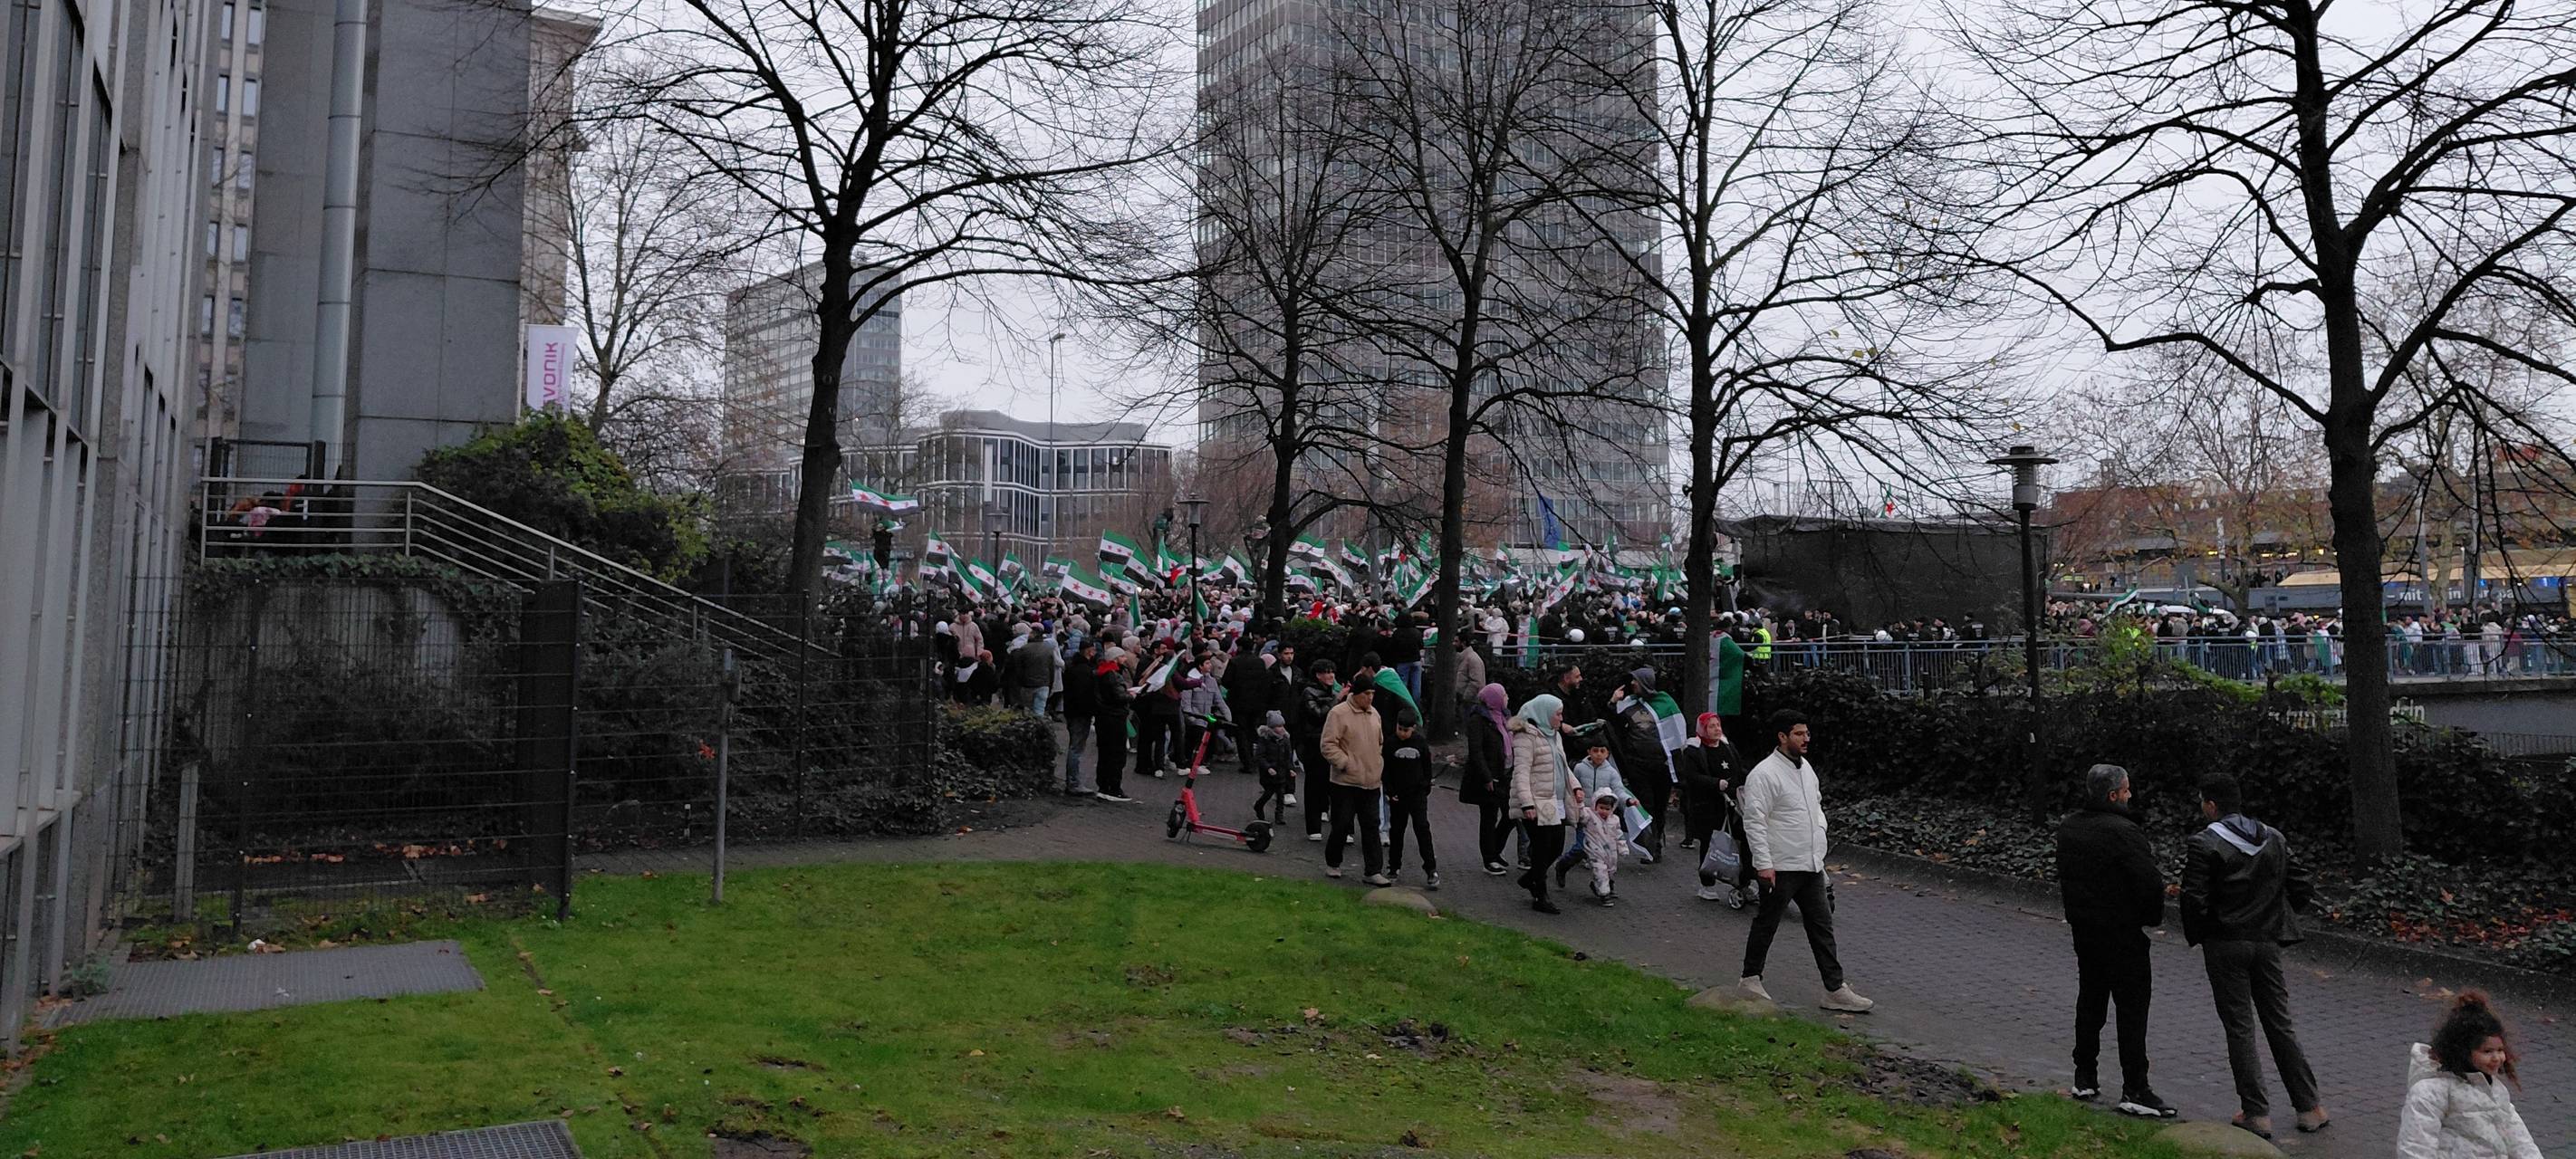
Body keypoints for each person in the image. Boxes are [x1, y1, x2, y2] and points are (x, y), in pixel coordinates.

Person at [2181, 773, 2329, 1140]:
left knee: (2240, 1027)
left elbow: (2193, 898)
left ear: (2212, 805)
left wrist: (2203, 933)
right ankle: (2310, 1107)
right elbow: (2301, 886)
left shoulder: (2204, 843)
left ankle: (2255, 1112)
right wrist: (2275, 917)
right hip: (2267, 942)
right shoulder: (2274, 838)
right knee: (2280, 1023)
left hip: (2226, 943)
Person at [2054, 763, 2176, 1118]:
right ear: (2112, 795)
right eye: (2125, 791)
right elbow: (2149, 883)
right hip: (2122, 933)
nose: (2129, 795)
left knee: (2091, 999)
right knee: (2132, 1009)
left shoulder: (2069, 828)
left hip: (2085, 930)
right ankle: (2135, 1086)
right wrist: (2149, 917)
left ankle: (2085, 1074)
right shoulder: (2125, 832)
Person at [1738, 709, 1873, 1013]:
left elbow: (1815, 807)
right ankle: (1749, 979)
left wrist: (1820, 840)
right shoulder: (1764, 774)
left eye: (1807, 733)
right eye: (1799, 734)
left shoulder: (1806, 768)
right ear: (1782, 737)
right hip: (1780, 866)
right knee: (1767, 923)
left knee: (1822, 926)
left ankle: (1834, 989)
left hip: (1810, 865)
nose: (1806, 739)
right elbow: (1755, 821)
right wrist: (1763, 864)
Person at [2398, 991, 2542, 1159]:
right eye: (2487, 1052)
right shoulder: (2432, 1091)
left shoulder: (2494, 1089)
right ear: (2463, 1052)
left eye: (2500, 1050)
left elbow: (2518, 1137)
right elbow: (2416, 1146)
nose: (2497, 1058)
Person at [1508, 694, 1578, 914]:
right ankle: (1541, 895)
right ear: (1545, 713)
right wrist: (1527, 804)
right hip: (1537, 802)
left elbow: (1562, 766)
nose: (1561, 718)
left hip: (1554, 801)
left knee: (1556, 845)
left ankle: (1531, 878)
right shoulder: (1525, 737)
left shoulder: (1554, 735)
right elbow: (1521, 772)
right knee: (1541, 847)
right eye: (1558, 714)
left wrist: (1575, 786)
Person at [1675, 713, 1753, 906]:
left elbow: (1738, 769)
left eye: (1718, 725)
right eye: (1711, 726)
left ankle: (1744, 881)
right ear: (1702, 730)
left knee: (1744, 840)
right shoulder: (1694, 750)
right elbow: (1691, 777)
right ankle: (1706, 884)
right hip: (1707, 806)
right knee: (1709, 843)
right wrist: (1715, 783)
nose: (1717, 729)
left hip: (1733, 803)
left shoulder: (1728, 746)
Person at [1319, 682, 1389, 884]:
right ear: (1356, 694)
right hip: (1345, 782)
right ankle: (1333, 862)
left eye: (1373, 693)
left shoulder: (1375, 714)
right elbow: (1328, 744)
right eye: (1367, 693)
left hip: (1371, 782)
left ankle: (1373, 871)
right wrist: (1345, 763)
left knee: (1371, 826)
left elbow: (1380, 742)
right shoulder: (1338, 713)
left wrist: (1378, 763)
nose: (1370, 697)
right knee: (1341, 824)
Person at [1610, 666, 1675, 857]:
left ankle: (1657, 839)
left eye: (1636, 681)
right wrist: (1613, 703)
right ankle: (1651, 846)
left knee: (1661, 806)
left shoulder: (1666, 703)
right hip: (1638, 764)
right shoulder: (1629, 704)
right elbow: (1613, 726)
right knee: (1647, 805)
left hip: (1662, 765)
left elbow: (1676, 731)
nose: (1632, 684)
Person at [1554, 740, 1633, 888]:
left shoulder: (1611, 772)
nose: (1598, 754)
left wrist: (1628, 800)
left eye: (1602, 751)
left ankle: (1606, 883)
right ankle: (1563, 865)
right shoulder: (1579, 769)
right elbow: (1571, 786)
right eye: (1595, 750)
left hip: (1604, 817)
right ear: (1589, 752)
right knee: (1581, 847)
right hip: (1585, 815)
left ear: (1608, 754)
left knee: (1607, 852)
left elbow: (1619, 790)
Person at [1460, 682, 1514, 875]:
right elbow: (1476, 751)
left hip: (1506, 774)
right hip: (1491, 776)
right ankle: (1489, 858)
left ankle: (1494, 849)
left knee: (1511, 815)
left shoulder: (1505, 717)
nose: (1507, 697)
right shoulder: (1479, 720)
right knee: (1489, 817)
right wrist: (1487, 777)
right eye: (1504, 694)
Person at [1381, 707, 1438, 889]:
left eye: (1406, 730)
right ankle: (1394, 866)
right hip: (1398, 796)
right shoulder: (1390, 743)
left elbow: (1427, 768)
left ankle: (1431, 868)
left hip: (1417, 795)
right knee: (1396, 831)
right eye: (1400, 729)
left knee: (1422, 829)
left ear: (1413, 728)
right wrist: (1390, 791)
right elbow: (1386, 770)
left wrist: (1424, 787)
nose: (1402, 733)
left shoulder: (1420, 743)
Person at [1293, 660, 1341, 840]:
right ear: (1318, 675)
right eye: (1326, 672)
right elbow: (1318, 714)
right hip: (1313, 744)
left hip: (1330, 743)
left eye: (1332, 672)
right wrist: (1338, 699)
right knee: (1314, 784)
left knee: (1330, 783)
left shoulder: (1332, 692)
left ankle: (1324, 811)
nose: (1331, 676)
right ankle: (1313, 826)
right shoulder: (1309, 693)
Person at [1091, 649, 1136, 803]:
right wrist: (1130, 696)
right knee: (1117, 754)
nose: (1125, 659)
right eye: (1122, 656)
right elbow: (1118, 696)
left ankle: (1103, 786)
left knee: (1105, 753)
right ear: (1115, 659)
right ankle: (1114, 788)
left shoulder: (1100, 674)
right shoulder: (1113, 675)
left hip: (1104, 718)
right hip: (1115, 718)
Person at [1059, 637, 1101, 795]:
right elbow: (1084, 694)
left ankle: (1073, 781)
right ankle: (1073, 783)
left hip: (1072, 711)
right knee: (1076, 748)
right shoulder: (1084, 671)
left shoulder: (1073, 667)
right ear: (1089, 651)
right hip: (1080, 713)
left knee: (1075, 746)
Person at [1577, 789, 1628, 905]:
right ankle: (1604, 894)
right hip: (1595, 849)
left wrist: (1623, 847)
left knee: (1610, 870)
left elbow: (1619, 834)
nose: (1603, 811)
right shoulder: (1589, 815)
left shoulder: (1614, 820)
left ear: (1612, 809)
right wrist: (1580, 804)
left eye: (1607, 809)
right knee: (1600, 870)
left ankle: (1605, 885)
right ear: (1595, 805)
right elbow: (1581, 815)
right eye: (1601, 808)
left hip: (1611, 851)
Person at [1250, 710, 1297, 827]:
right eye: (1278, 726)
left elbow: (1288, 756)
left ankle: (1279, 816)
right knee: (1269, 792)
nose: (1281, 729)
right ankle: (1259, 805)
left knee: (1281, 795)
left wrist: (1290, 769)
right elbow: (1260, 756)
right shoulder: (1265, 739)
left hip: (1281, 772)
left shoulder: (1285, 739)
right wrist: (1268, 768)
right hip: (1269, 774)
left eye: (1282, 726)